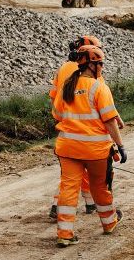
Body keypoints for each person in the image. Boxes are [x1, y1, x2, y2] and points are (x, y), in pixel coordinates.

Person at [51, 45, 127, 247]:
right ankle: (109, 222)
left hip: (68, 149)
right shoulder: (99, 87)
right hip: (95, 151)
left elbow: (57, 115)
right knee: (100, 187)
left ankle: (65, 234)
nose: (102, 67)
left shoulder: (67, 85)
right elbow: (110, 120)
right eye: (100, 63)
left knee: (68, 187)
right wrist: (120, 145)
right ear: (92, 65)